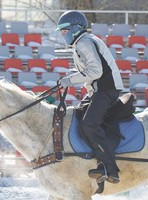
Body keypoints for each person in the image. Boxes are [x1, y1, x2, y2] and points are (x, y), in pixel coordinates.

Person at [57, 10, 124, 184]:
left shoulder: (84, 43)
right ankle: (97, 159)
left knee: (89, 124)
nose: (63, 35)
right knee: (78, 116)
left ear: (75, 28)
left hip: (106, 90)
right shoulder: (83, 42)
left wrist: (69, 80)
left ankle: (111, 169)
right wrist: (67, 79)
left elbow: (95, 71)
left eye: (65, 30)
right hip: (98, 91)